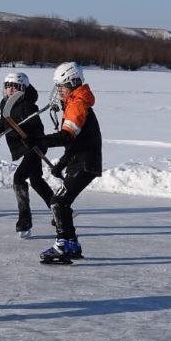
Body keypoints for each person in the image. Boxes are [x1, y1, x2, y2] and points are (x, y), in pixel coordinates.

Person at [37, 62, 102, 263]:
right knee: (62, 203)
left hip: (85, 163)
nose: (59, 91)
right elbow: (74, 143)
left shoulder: (78, 104)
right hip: (79, 162)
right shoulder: (75, 102)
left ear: (73, 83)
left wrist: (41, 140)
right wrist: (62, 163)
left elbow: (67, 136)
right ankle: (72, 244)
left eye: (61, 87)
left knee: (58, 202)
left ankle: (62, 245)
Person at [0, 71, 54, 237]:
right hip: (23, 147)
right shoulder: (5, 104)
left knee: (18, 178)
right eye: (7, 86)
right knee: (36, 180)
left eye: (14, 86)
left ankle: (25, 220)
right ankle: (59, 208)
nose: (10, 89)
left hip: (35, 147)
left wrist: (32, 138)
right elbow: (4, 121)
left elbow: (39, 130)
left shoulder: (27, 105)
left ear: (22, 88)